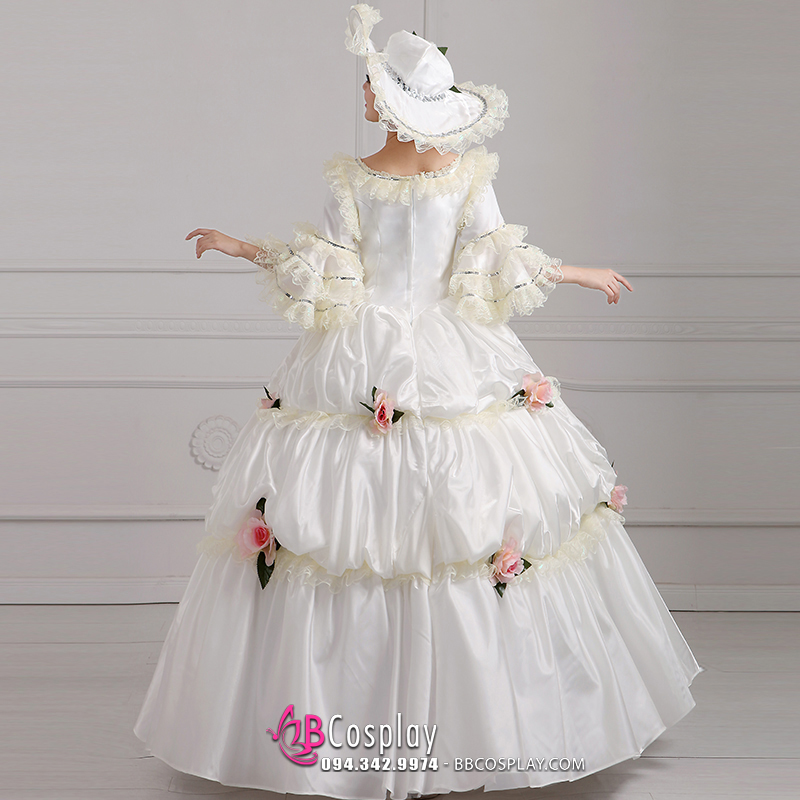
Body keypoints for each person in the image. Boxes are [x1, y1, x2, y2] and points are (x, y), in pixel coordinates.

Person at [134, 4, 703, 797]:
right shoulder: (443, 178)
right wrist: (242, 246)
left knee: (379, 523)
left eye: (372, 86)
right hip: (431, 350)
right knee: (435, 524)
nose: (365, 96)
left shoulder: (369, 180)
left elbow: (343, 267)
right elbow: (488, 259)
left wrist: (245, 248)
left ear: (395, 99)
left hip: (375, 350)